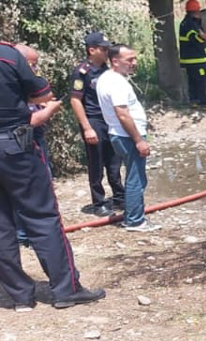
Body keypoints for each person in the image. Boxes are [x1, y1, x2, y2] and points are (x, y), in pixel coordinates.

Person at [0, 39, 105, 310]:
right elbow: (41, 94)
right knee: (42, 217)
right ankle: (65, 288)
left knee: (1, 226)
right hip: (15, 148)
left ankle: (19, 296)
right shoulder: (8, 55)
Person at [96, 44, 160, 232]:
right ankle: (135, 220)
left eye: (135, 58)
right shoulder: (116, 83)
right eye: (129, 60)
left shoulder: (106, 78)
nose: (134, 63)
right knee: (136, 178)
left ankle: (133, 216)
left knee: (134, 176)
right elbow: (123, 114)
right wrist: (139, 140)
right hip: (127, 136)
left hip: (119, 134)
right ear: (115, 61)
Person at [11, 44, 62, 246]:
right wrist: (49, 109)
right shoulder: (12, 86)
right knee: (30, 186)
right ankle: (27, 234)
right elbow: (27, 122)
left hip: (34, 138)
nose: (35, 70)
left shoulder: (25, 85)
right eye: (32, 65)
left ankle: (27, 232)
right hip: (25, 139)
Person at [69, 31, 125, 216]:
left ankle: (119, 196)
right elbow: (75, 100)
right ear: (92, 50)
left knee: (115, 161)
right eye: (103, 48)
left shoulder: (108, 71)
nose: (107, 51)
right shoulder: (82, 72)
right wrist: (87, 128)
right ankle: (99, 201)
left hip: (110, 119)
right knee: (96, 162)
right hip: (93, 121)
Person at [179, 0, 206, 111]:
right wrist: (204, 36)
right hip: (196, 60)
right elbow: (196, 38)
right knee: (203, 81)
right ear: (196, 11)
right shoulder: (191, 24)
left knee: (193, 82)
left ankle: (194, 101)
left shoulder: (185, 23)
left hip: (189, 60)